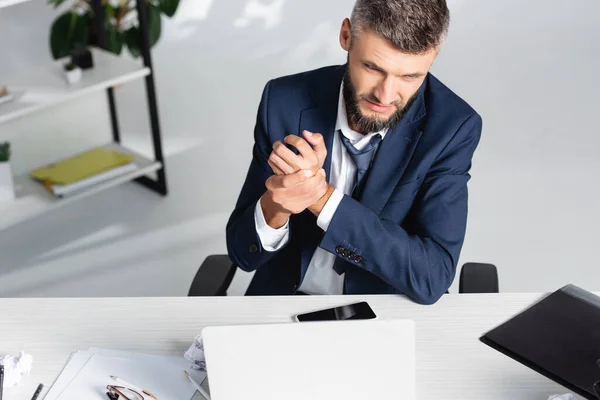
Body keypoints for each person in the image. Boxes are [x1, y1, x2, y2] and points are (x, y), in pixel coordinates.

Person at [226, 0, 482, 305]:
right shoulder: (283, 101)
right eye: (373, 67)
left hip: (384, 310)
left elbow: (431, 277)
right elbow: (244, 255)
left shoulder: (452, 127)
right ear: (346, 36)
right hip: (284, 302)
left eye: (409, 77)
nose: (385, 96)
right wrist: (276, 207)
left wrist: (322, 197)